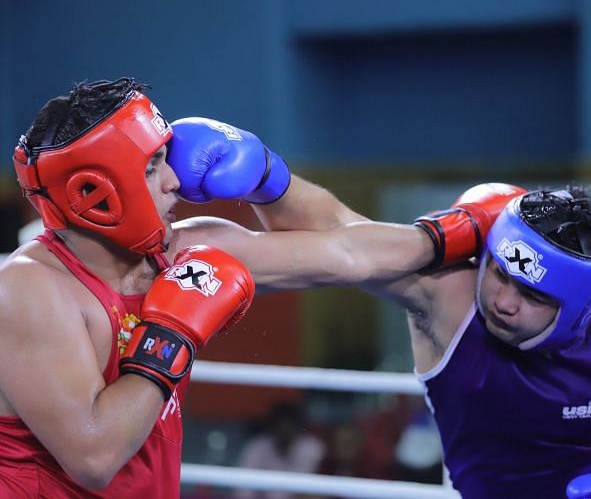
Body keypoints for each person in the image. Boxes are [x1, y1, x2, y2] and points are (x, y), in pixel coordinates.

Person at [0, 78, 460, 497]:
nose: (174, 180)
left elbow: (350, 254)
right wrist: (171, 334)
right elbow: (94, 457)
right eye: (152, 166)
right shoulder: (30, 289)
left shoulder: (180, 251)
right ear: (96, 192)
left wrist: (460, 232)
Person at [362, 186, 591, 498]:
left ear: (580, 306)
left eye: (533, 295)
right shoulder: (446, 299)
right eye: (500, 273)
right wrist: (434, 237)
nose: (504, 303)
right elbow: (343, 248)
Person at [235, 401, 325, 499]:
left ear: (297, 430)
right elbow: (243, 488)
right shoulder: (257, 447)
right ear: (272, 429)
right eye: (280, 429)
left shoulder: (312, 448)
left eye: (288, 430)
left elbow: (310, 488)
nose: (284, 434)